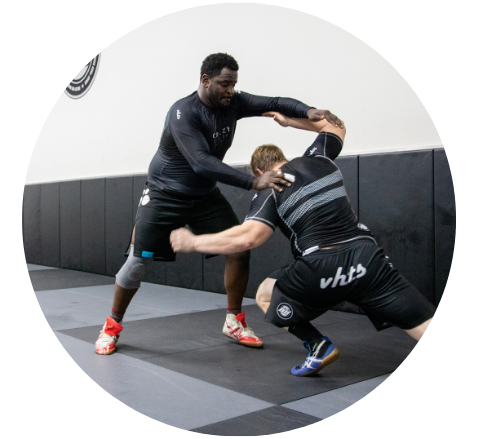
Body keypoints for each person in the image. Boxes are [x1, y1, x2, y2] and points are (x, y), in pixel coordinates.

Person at [95, 53, 344, 355]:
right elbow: (201, 162)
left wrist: (309, 110)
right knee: (137, 263)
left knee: (238, 248)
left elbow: (275, 102)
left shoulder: (234, 102)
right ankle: (112, 325)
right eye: (225, 84)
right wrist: (254, 181)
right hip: (164, 194)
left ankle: (234, 320)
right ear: (205, 80)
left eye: (234, 84)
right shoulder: (183, 113)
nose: (230, 90)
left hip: (203, 196)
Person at [170, 111, 439, 377]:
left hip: (322, 269)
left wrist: (193, 241)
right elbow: (336, 125)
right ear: (282, 158)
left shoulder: (271, 186)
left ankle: (317, 345)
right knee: (427, 326)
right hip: (367, 259)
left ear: (261, 172)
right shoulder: (319, 157)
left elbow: (248, 237)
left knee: (265, 292)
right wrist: (290, 122)